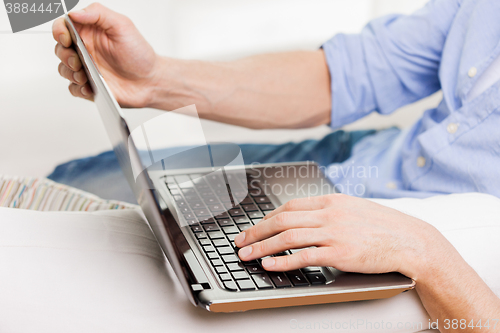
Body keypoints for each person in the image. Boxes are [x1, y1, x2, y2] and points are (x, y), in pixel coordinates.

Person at [51, 1, 500, 331]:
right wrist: (153, 80)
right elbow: (344, 75)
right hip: (358, 162)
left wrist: (426, 253)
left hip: (424, 248)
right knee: (75, 182)